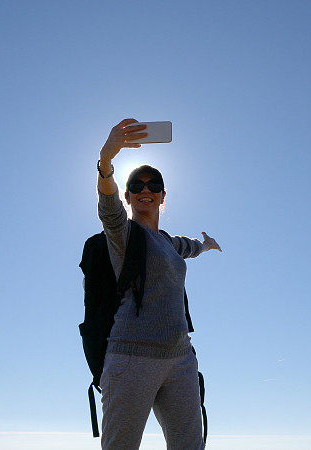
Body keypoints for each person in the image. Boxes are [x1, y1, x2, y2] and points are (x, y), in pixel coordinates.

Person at [95, 118, 222, 450]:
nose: (145, 190)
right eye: (137, 186)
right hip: (132, 357)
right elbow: (109, 213)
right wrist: (106, 164)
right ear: (128, 195)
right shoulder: (125, 234)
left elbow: (186, 247)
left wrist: (205, 245)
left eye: (153, 185)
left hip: (181, 360)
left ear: (163, 195)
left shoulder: (166, 241)